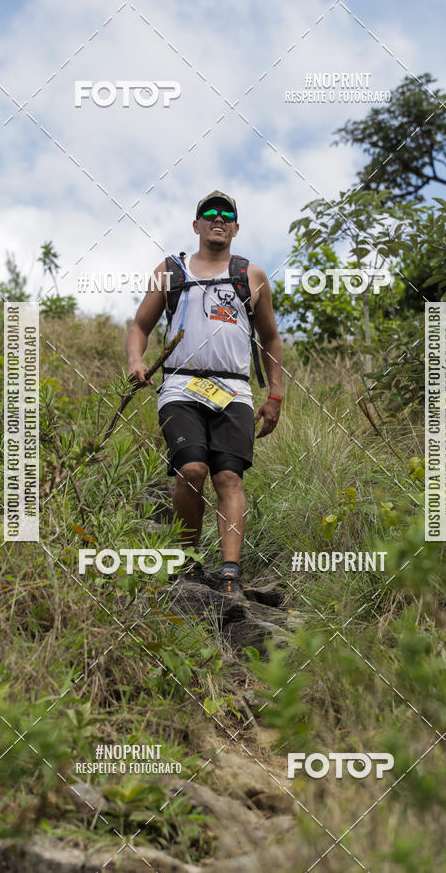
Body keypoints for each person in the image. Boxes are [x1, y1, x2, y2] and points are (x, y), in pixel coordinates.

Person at [126, 190, 283, 595]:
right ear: (196, 225)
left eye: (226, 214)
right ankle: (188, 564)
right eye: (209, 213)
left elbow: (270, 339)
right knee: (191, 469)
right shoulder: (170, 270)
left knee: (229, 476)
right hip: (180, 383)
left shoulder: (252, 275)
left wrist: (276, 395)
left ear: (235, 227)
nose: (218, 218)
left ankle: (229, 573)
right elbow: (140, 325)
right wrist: (136, 362)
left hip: (235, 390)